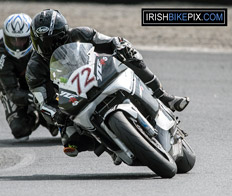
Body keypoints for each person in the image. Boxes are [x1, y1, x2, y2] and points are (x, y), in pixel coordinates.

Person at [26, 9, 189, 157]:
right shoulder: (34, 68)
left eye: (55, 41)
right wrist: (55, 113)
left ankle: (163, 96)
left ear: (64, 33)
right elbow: (42, 102)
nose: (50, 47)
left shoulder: (81, 33)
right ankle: (110, 146)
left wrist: (120, 45)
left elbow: (110, 41)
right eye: (43, 44)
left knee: (130, 54)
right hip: (70, 99)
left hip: (96, 75)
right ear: (34, 42)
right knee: (71, 141)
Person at [0, 13, 58, 141]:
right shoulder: (0, 58)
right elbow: (12, 93)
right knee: (19, 130)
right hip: (11, 88)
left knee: (56, 119)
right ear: (5, 38)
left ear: (30, 38)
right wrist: (37, 99)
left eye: (22, 40)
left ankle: (51, 120)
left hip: (39, 81)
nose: (17, 45)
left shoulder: (40, 46)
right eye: (13, 40)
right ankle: (36, 117)